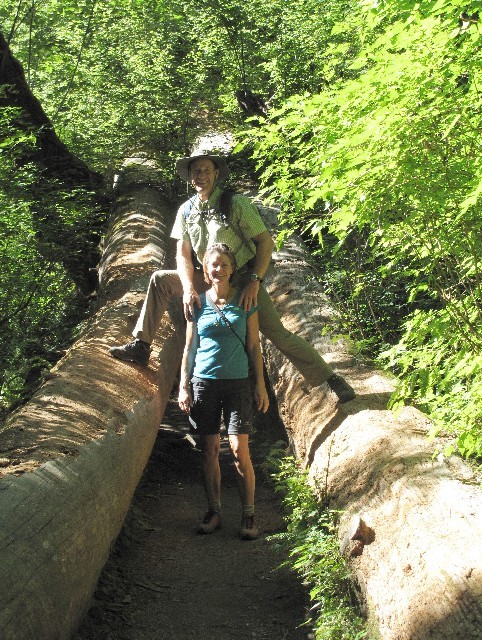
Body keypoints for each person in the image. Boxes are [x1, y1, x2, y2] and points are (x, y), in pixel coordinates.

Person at [109, 149, 355, 403]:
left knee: (277, 334)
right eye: (196, 171)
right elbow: (182, 253)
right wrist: (188, 286)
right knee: (160, 279)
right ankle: (141, 346)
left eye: (206, 170)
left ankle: (330, 379)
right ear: (189, 177)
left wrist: (254, 281)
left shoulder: (235, 203)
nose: (201, 175)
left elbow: (265, 243)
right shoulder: (186, 210)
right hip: (207, 276)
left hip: (241, 278)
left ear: (216, 173)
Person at [178, 242, 268, 540]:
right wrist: (184, 385)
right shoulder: (196, 303)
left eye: (224, 265)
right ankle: (214, 511)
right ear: (206, 269)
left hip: (237, 383)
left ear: (232, 270)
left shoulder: (246, 300)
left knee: (240, 450)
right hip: (204, 383)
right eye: (213, 265)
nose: (218, 270)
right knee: (210, 450)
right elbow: (190, 348)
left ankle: (249, 515)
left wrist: (260, 385)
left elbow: (254, 347)